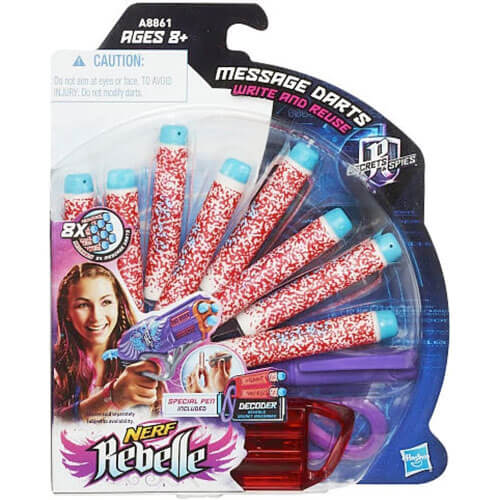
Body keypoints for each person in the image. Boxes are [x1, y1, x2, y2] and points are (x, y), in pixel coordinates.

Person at [53, 263, 162, 421]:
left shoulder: (143, 361)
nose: (96, 317)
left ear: (118, 304)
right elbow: (55, 423)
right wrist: (112, 397)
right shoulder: (55, 367)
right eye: (83, 305)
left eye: (106, 302)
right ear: (67, 312)